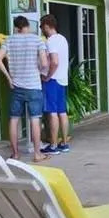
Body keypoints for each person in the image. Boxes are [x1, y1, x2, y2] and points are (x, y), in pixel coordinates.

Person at [0, 15, 48, 162]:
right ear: (27, 26)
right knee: (35, 119)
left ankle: (15, 153)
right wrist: (39, 71)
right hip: (34, 85)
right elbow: (44, 63)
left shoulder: (9, 40)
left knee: (14, 119)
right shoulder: (37, 40)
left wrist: (9, 78)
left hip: (16, 86)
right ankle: (37, 154)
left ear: (16, 27)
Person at [39, 13, 70, 154]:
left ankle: (53, 145)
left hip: (53, 80)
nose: (41, 30)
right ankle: (64, 143)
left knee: (52, 113)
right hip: (62, 79)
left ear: (46, 26)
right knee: (62, 112)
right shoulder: (62, 39)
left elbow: (55, 61)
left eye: (41, 27)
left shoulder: (51, 41)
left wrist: (47, 76)